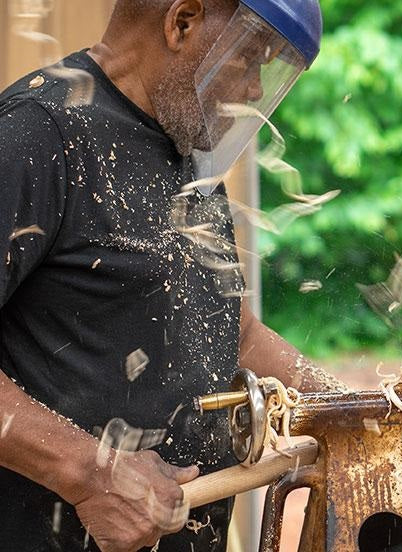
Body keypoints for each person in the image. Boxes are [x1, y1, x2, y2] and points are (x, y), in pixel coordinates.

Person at [0, 0, 344, 550]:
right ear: (182, 21)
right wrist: (91, 472)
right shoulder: (39, 132)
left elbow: (230, 332)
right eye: (251, 58)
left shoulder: (188, 158)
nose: (256, 91)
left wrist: (352, 410)